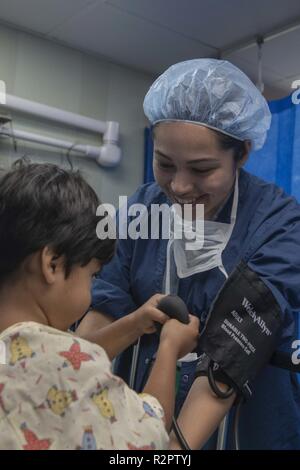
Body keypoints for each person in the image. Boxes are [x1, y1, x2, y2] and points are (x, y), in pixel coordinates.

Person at [78, 59, 300, 450]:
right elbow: (98, 322)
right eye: (164, 164)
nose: (179, 186)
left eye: (201, 169)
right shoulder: (141, 210)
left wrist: (170, 455)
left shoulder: (280, 225)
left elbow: (235, 349)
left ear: (243, 154)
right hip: (137, 430)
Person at [0, 160, 199, 450]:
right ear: (52, 264)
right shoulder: (58, 361)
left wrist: (132, 324)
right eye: (92, 275)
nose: (92, 290)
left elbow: (56, 357)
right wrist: (169, 349)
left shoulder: (24, 351)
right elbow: (149, 431)